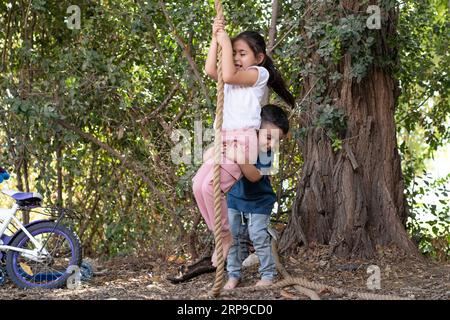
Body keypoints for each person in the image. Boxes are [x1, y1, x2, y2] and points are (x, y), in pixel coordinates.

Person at [192, 18, 295, 267]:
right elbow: (211, 70)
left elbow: (227, 74)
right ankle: (222, 234)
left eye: (242, 53)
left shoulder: (259, 74)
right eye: (234, 53)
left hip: (243, 140)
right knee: (198, 185)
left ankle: (225, 236)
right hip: (224, 137)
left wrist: (226, 42)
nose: (237, 57)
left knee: (211, 187)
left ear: (258, 58)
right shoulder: (232, 77)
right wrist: (216, 39)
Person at [223, 104, 289, 289]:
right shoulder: (241, 142)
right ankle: (233, 275)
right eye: (269, 137)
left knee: (258, 236)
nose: (272, 144)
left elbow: (254, 176)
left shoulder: (268, 154)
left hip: (260, 201)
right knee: (232, 236)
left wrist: (238, 157)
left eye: (277, 140)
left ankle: (268, 274)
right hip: (236, 198)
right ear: (255, 129)